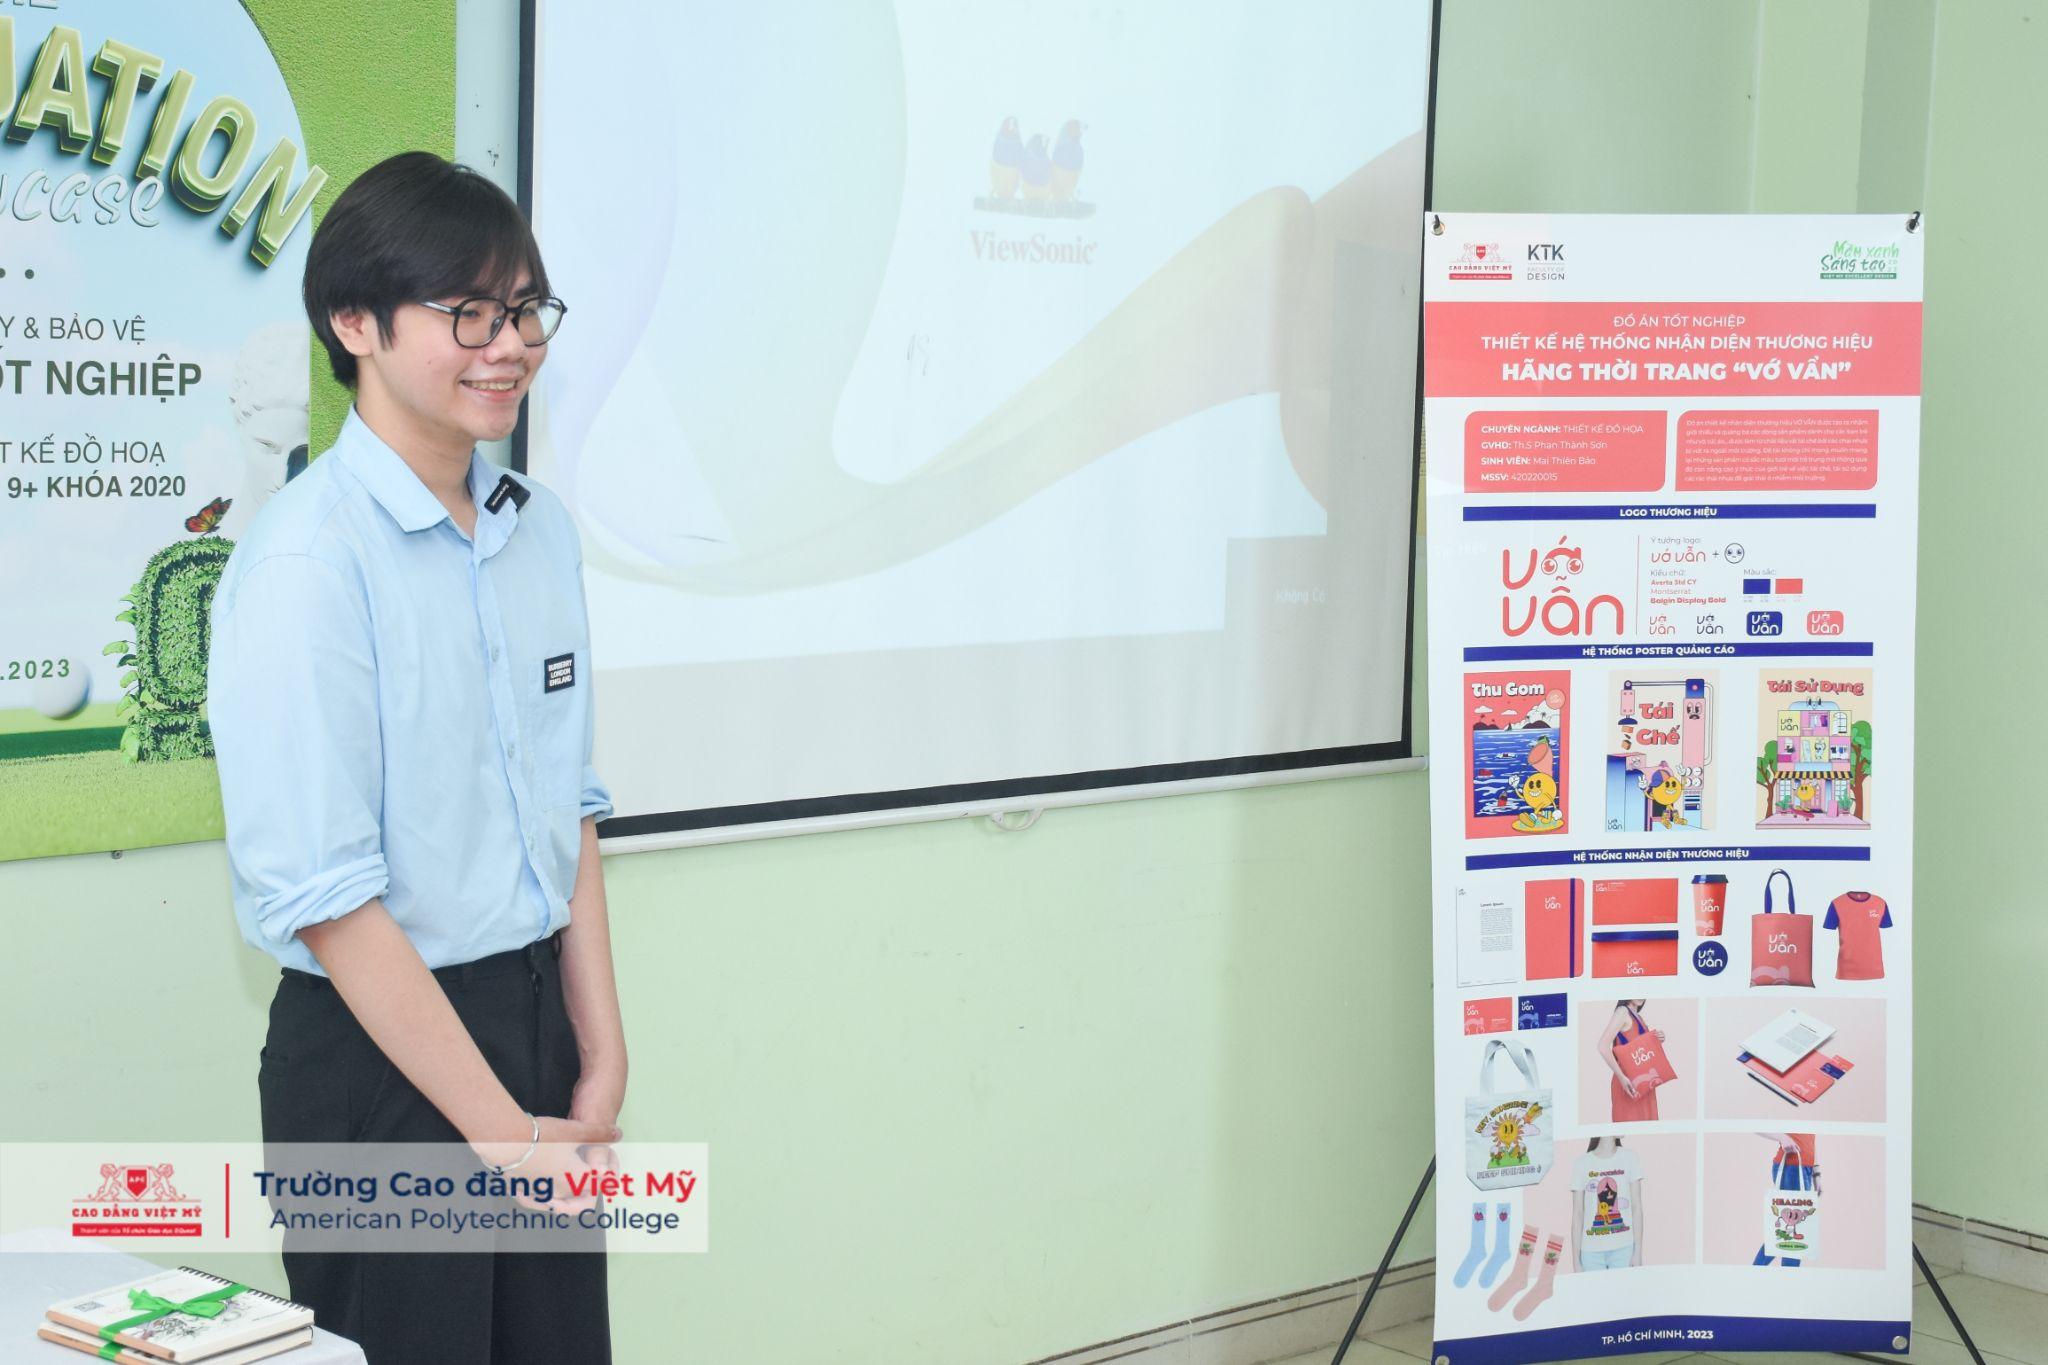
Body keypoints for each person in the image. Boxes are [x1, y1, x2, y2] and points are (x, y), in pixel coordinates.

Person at [209, 151, 625, 1365]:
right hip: (378, 1067)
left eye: (525, 310)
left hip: (537, 1031)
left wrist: (600, 1053)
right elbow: (328, 898)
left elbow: (567, 805)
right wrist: (500, 1132)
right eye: (469, 314)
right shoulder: (306, 565)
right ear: (357, 324)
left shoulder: (538, 533)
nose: (510, 346)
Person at [1570, 1136, 1645, 1271]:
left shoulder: (1630, 1158)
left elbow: (1636, 1207)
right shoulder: (1581, 1163)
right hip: (1591, 1252)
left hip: (1624, 1248)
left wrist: (1638, 1252)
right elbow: (1578, 1214)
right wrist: (1576, 1261)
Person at [1754, 1133, 1821, 1267]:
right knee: (1792, 1231)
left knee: (1789, 1231)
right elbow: (1757, 1125)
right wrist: (1783, 1138)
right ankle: (1785, 1276)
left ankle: (1754, 1272)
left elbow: (1811, 1140)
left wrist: (1816, 1173)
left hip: (1805, 1169)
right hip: (1791, 1167)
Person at [1600, 999, 1665, 1122]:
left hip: (1644, 1083)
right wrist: (1621, 1077)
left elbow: (1639, 1048)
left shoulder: (1638, 1017)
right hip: (1629, 1083)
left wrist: (1658, 1039)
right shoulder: (1622, 1011)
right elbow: (1602, 1046)